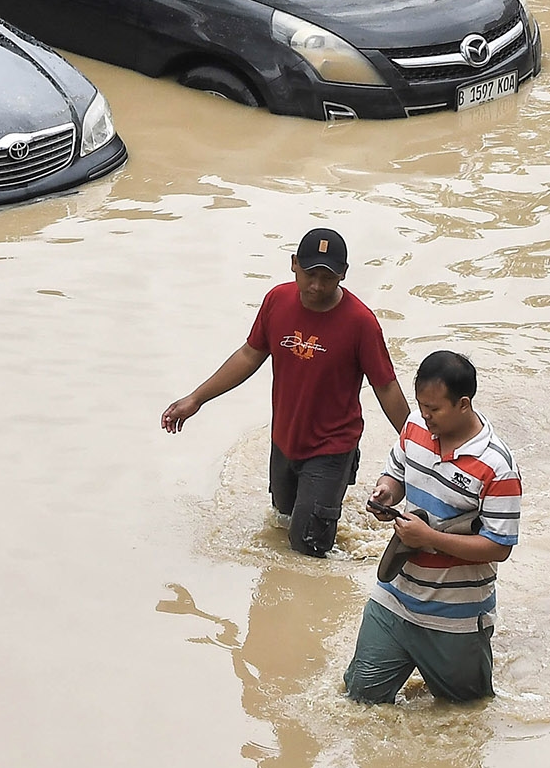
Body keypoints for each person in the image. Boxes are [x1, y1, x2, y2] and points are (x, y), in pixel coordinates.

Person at [162, 228, 409, 558]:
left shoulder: (360, 323)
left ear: (344, 275)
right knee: (282, 522)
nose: (317, 286)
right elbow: (250, 354)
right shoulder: (277, 301)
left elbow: (386, 386)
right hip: (285, 442)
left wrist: (417, 443)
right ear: (294, 264)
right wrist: (196, 399)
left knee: (307, 548)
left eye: (327, 277)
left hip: (331, 448)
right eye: (309, 275)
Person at [342, 349, 521, 706]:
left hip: (455, 617)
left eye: (435, 409)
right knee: (360, 699)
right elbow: (396, 473)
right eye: (421, 404)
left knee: (466, 711)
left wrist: (430, 539)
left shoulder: (498, 467)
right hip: (394, 597)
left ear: (464, 404)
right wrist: (386, 492)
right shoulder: (414, 429)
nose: (425, 415)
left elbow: (499, 546)